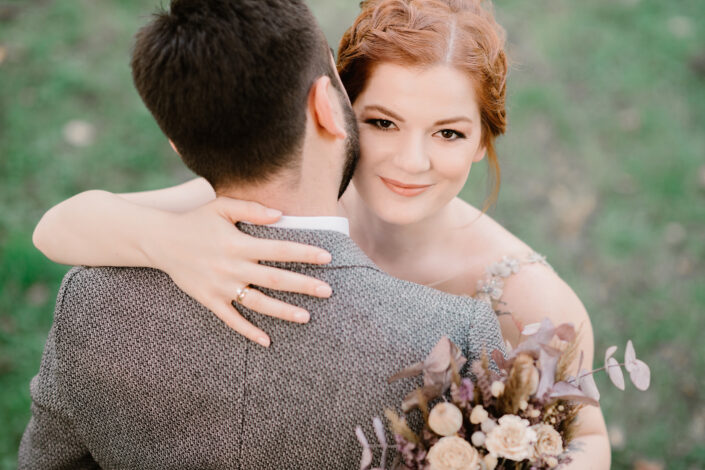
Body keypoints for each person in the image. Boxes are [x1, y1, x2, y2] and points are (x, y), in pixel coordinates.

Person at [32, 0, 610, 467]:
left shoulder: (530, 297)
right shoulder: (281, 207)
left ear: (483, 139)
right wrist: (170, 241)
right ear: (335, 109)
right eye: (382, 122)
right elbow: (57, 228)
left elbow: (586, 441)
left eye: (449, 134)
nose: (411, 161)